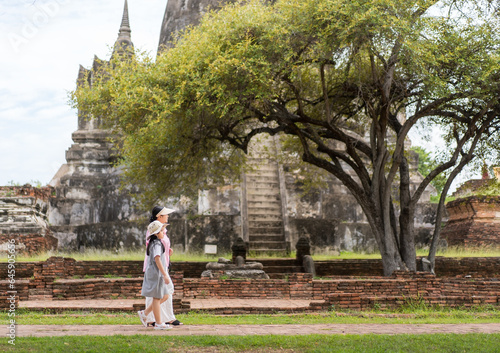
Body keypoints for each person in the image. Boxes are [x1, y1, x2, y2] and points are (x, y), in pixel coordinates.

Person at [142, 206, 183, 327]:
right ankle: (151, 317)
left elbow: (160, 248)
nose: (168, 216)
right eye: (165, 215)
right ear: (159, 216)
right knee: (159, 292)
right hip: (157, 268)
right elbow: (155, 253)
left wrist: (168, 251)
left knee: (164, 292)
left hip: (162, 266)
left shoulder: (162, 230)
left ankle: (159, 317)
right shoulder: (154, 231)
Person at [138, 220, 173, 330]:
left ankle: (145, 313)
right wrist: (165, 275)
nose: (164, 233)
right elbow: (157, 259)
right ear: (157, 233)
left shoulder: (154, 243)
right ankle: (158, 323)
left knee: (165, 295)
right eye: (162, 231)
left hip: (156, 273)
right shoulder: (157, 243)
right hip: (156, 274)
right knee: (157, 298)